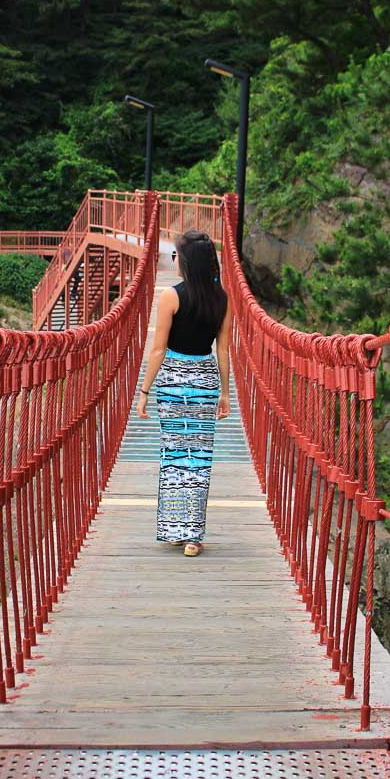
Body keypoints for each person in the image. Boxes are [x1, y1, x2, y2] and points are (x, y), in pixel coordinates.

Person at [136, 230, 231, 556]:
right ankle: (193, 537)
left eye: (176, 256)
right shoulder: (222, 299)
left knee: (174, 454)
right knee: (200, 458)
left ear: (187, 262)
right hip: (205, 381)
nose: (173, 261)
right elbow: (224, 351)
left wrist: (145, 390)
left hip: (174, 381)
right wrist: (225, 393)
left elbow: (158, 350)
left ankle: (175, 530)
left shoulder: (169, 296)